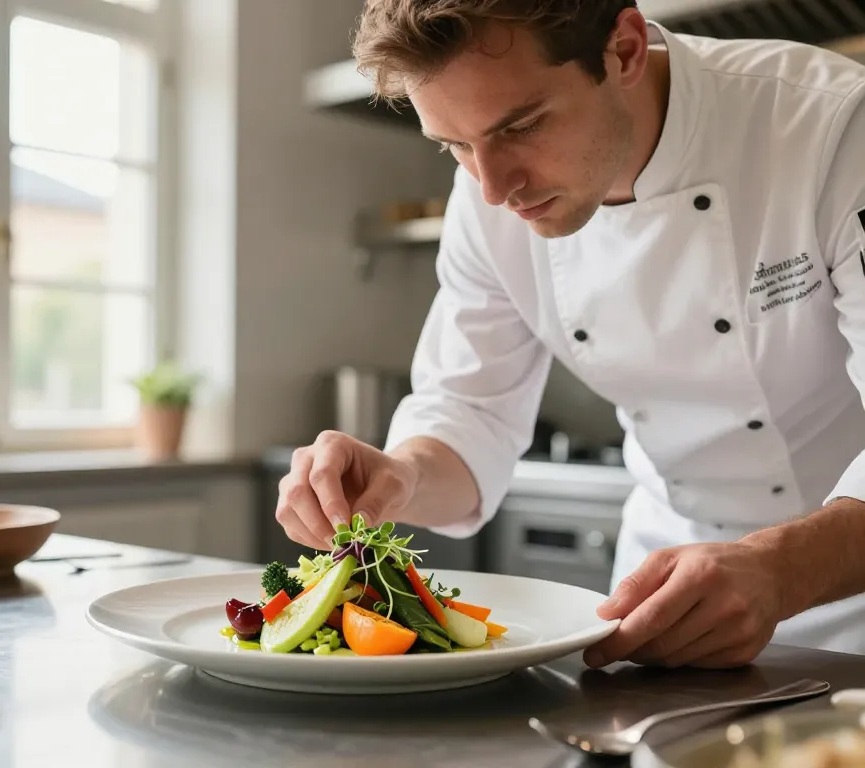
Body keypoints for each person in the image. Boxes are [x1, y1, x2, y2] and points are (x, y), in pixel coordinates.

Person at [275, 0, 865, 669]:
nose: (495, 188)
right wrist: (400, 476)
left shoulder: (832, 129)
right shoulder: (486, 199)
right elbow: (470, 415)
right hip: (666, 599)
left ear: (625, 49)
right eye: (456, 146)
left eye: (522, 126)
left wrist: (777, 570)